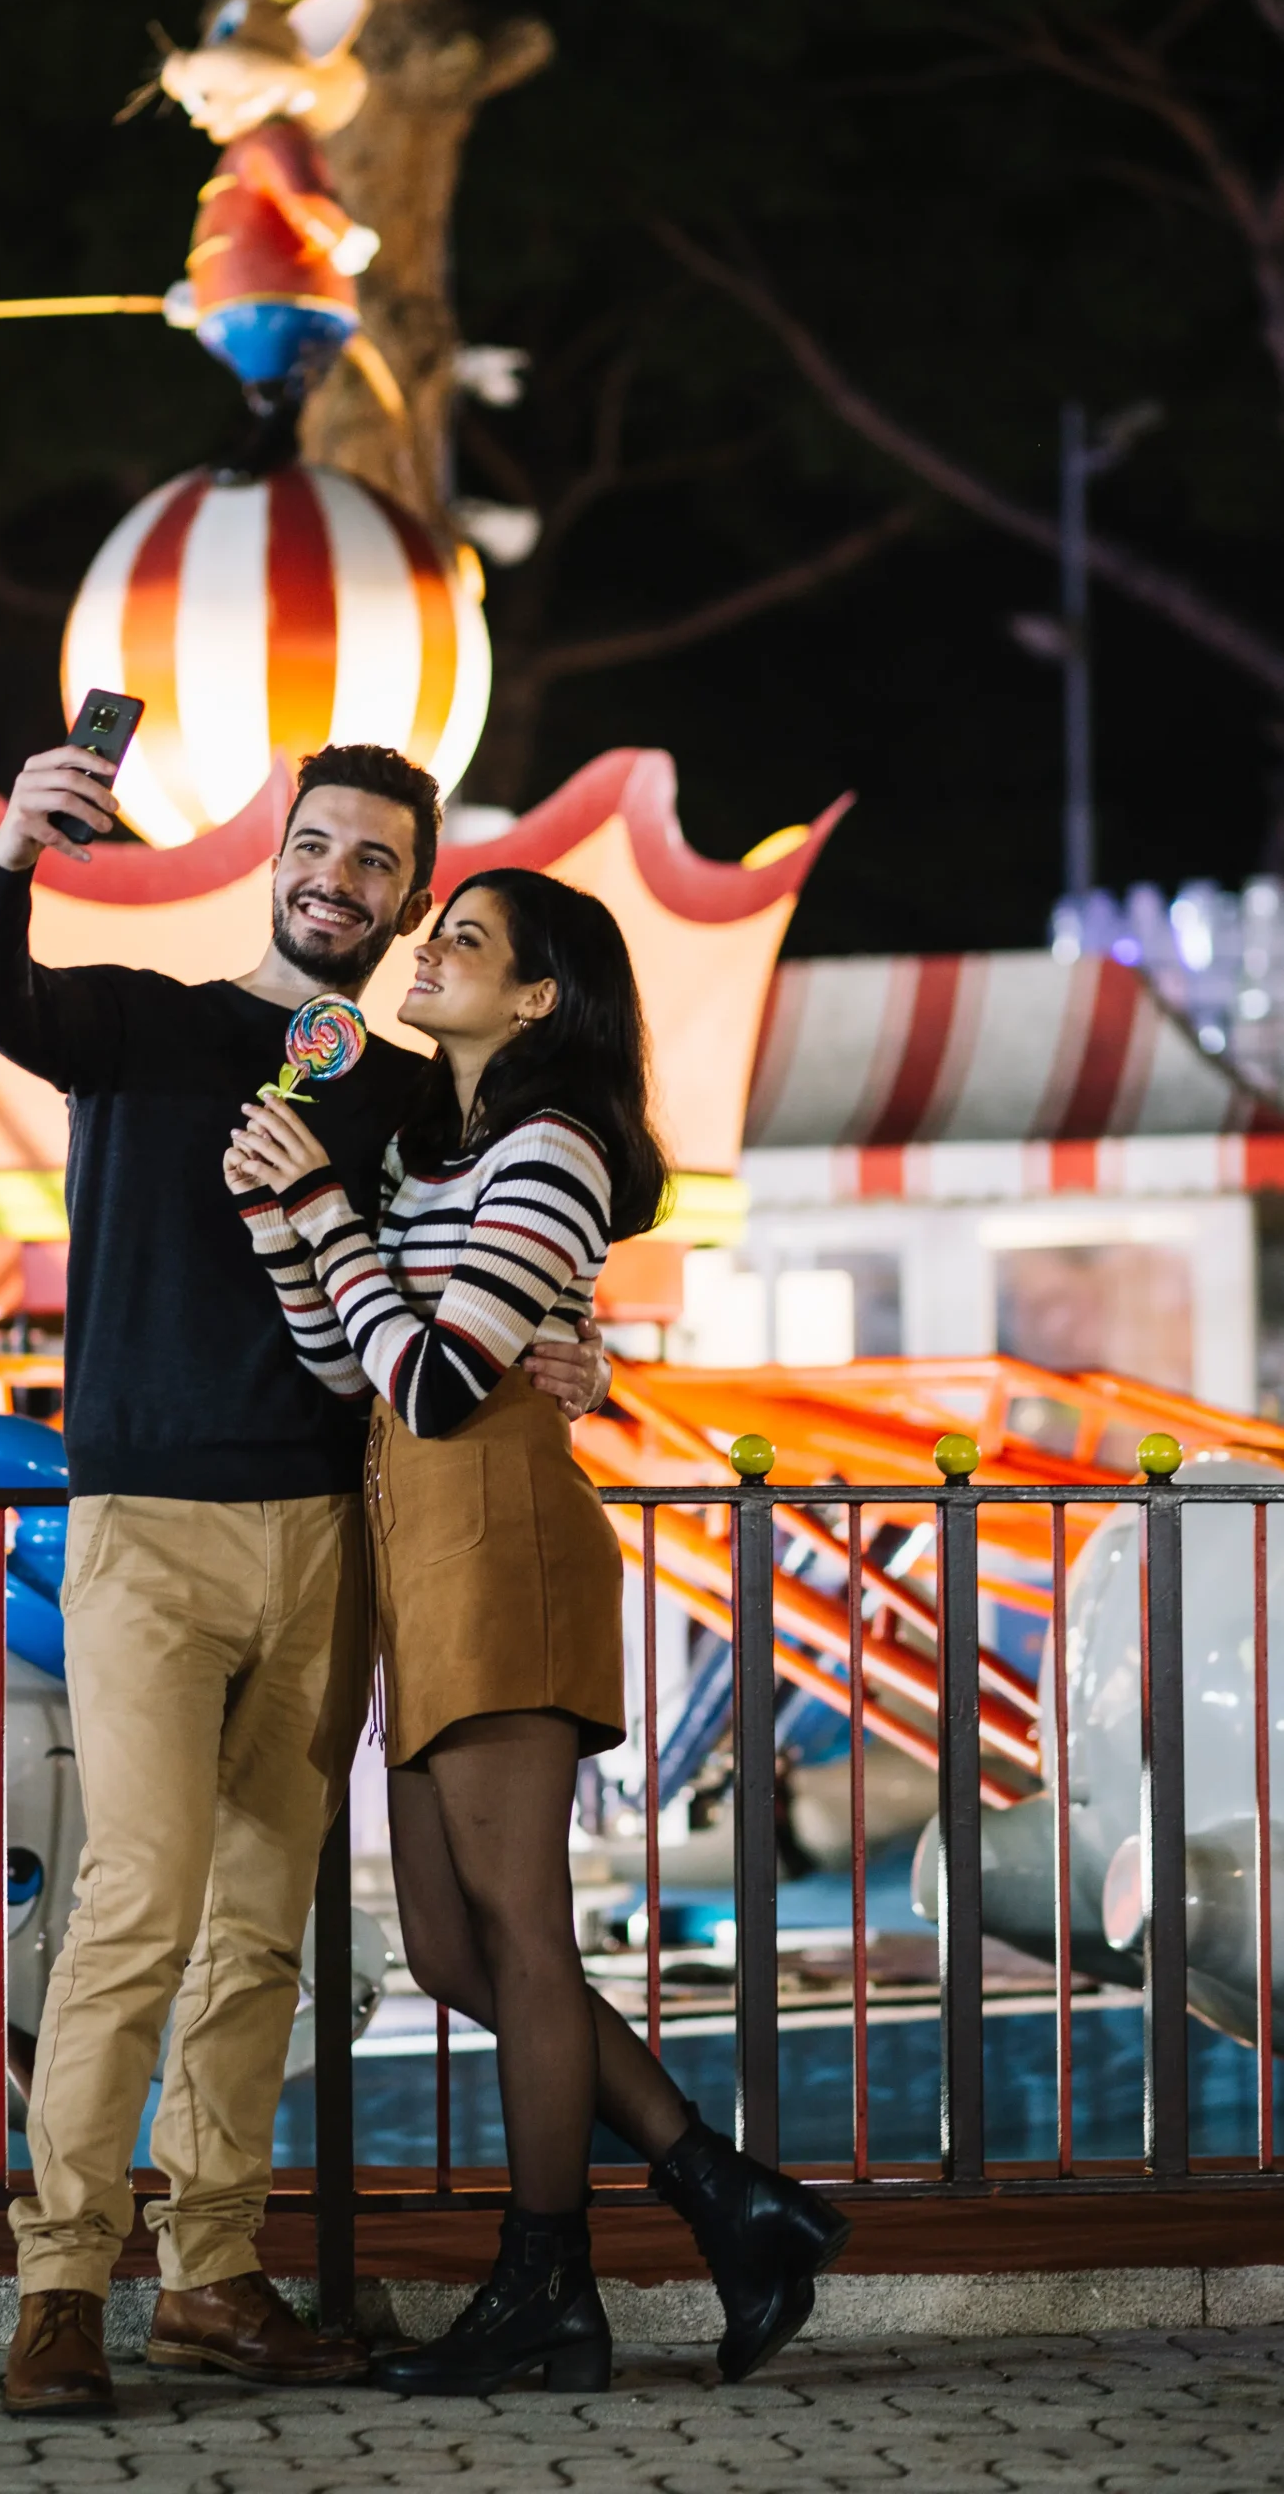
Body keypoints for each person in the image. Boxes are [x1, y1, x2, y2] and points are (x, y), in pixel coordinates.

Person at [0, 742, 607, 2415]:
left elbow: (486, 1247)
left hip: (329, 1534)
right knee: (138, 1902)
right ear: (276, 862)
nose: (339, 879)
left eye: (377, 865)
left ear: (403, 900)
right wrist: (13, 847)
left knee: (259, 1930)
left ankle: (215, 2275)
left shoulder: (392, 1091)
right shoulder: (146, 1023)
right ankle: (63, 2282)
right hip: (150, 1525)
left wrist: (556, 1346)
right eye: (315, 848)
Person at [227, 867, 851, 2397]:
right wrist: (281, 1218)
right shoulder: (438, 1157)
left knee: (517, 1935)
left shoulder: (556, 1148)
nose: (424, 952)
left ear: (535, 1000)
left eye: (463, 941)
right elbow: (347, 1363)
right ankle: (727, 2195)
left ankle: (548, 2289)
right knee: (452, 1943)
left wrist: (324, 1214)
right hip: (419, 1543)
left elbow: (440, 1383)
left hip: (498, 1534)